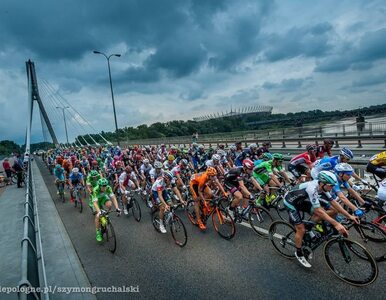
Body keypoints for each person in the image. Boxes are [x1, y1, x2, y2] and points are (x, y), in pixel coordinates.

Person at [284, 171, 349, 268]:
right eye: (331, 185)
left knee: (330, 210)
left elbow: (334, 203)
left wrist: (349, 215)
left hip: (301, 200)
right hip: (290, 202)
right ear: (322, 183)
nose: (332, 188)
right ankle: (298, 252)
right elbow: (318, 210)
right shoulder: (312, 188)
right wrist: (336, 224)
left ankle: (309, 227)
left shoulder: (323, 187)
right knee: (301, 229)